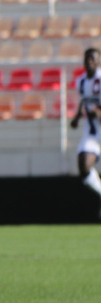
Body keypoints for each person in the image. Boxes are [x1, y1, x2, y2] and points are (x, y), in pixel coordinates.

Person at [69, 47, 101, 214]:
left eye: (92, 59)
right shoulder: (80, 81)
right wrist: (76, 117)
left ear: (98, 61)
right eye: (87, 59)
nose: (89, 62)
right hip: (93, 134)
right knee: (83, 165)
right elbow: (84, 102)